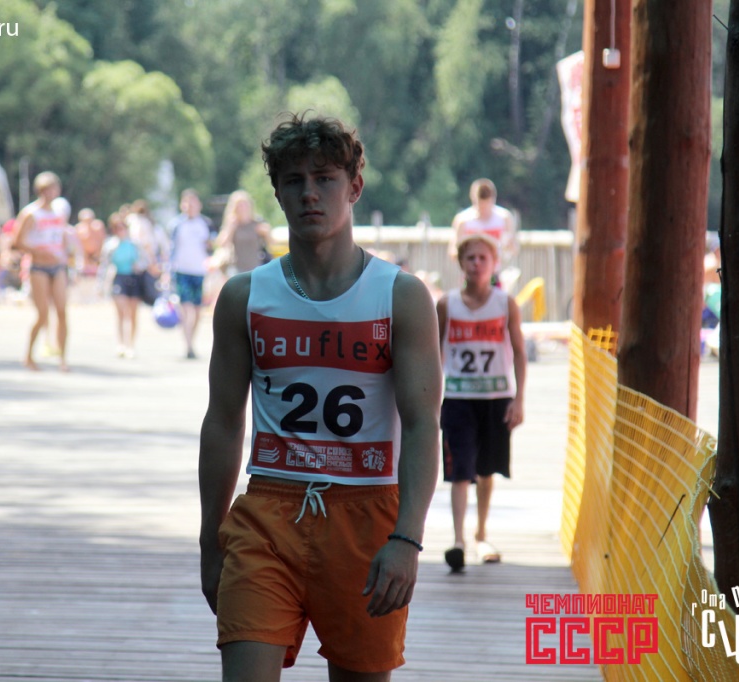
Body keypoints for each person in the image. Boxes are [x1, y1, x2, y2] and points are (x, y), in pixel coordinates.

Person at [198, 114, 442, 680]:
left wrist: (407, 538)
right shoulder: (244, 297)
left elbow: (423, 424)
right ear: (278, 194)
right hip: (268, 514)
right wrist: (210, 540)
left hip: (367, 516)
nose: (310, 193)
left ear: (354, 187)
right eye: (294, 180)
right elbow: (223, 423)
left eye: (325, 178)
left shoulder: (401, 297)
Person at [437, 233, 527, 572]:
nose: (476, 264)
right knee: (459, 470)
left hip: (495, 397)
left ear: (494, 264)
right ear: (460, 263)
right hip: (458, 397)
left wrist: (519, 399)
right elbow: (433, 353)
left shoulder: (505, 304)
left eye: (482, 258)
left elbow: (519, 352)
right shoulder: (447, 304)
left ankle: (481, 534)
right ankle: (458, 540)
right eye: (470, 258)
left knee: (486, 469)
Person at [14, 171, 73, 372]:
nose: (50, 193)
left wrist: (66, 254)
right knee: (42, 314)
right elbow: (17, 241)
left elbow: (61, 236)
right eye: (47, 189)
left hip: (58, 266)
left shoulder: (58, 212)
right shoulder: (31, 213)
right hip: (38, 266)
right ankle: (29, 355)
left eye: (53, 189)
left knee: (62, 311)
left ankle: (62, 358)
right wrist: (39, 252)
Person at [168, 188, 214, 359]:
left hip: (200, 271)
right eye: (186, 202)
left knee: (197, 310)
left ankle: (191, 341)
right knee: (186, 308)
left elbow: (212, 245)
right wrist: (168, 271)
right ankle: (188, 345)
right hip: (182, 270)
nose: (190, 206)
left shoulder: (205, 224)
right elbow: (171, 249)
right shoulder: (176, 224)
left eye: (193, 202)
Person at [448, 178, 517, 271]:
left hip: (495, 273)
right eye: (480, 206)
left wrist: (508, 245)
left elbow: (514, 249)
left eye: (487, 205)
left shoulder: (504, 218)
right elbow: (453, 251)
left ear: (493, 199)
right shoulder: (463, 220)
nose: (483, 210)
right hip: (471, 273)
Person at [103, 212, 143, 357]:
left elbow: (144, 260)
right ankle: (121, 343)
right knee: (121, 312)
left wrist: (139, 265)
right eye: (117, 228)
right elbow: (104, 265)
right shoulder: (110, 245)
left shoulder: (134, 244)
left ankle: (130, 345)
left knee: (132, 314)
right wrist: (101, 285)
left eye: (122, 227)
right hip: (118, 278)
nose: (120, 230)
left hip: (133, 278)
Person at [215, 189, 272, 275]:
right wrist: (230, 229)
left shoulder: (257, 223)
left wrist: (267, 233)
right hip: (237, 267)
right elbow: (222, 244)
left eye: (245, 204)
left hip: (255, 265)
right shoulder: (232, 223)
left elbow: (271, 243)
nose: (243, 208)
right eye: (239, 205)